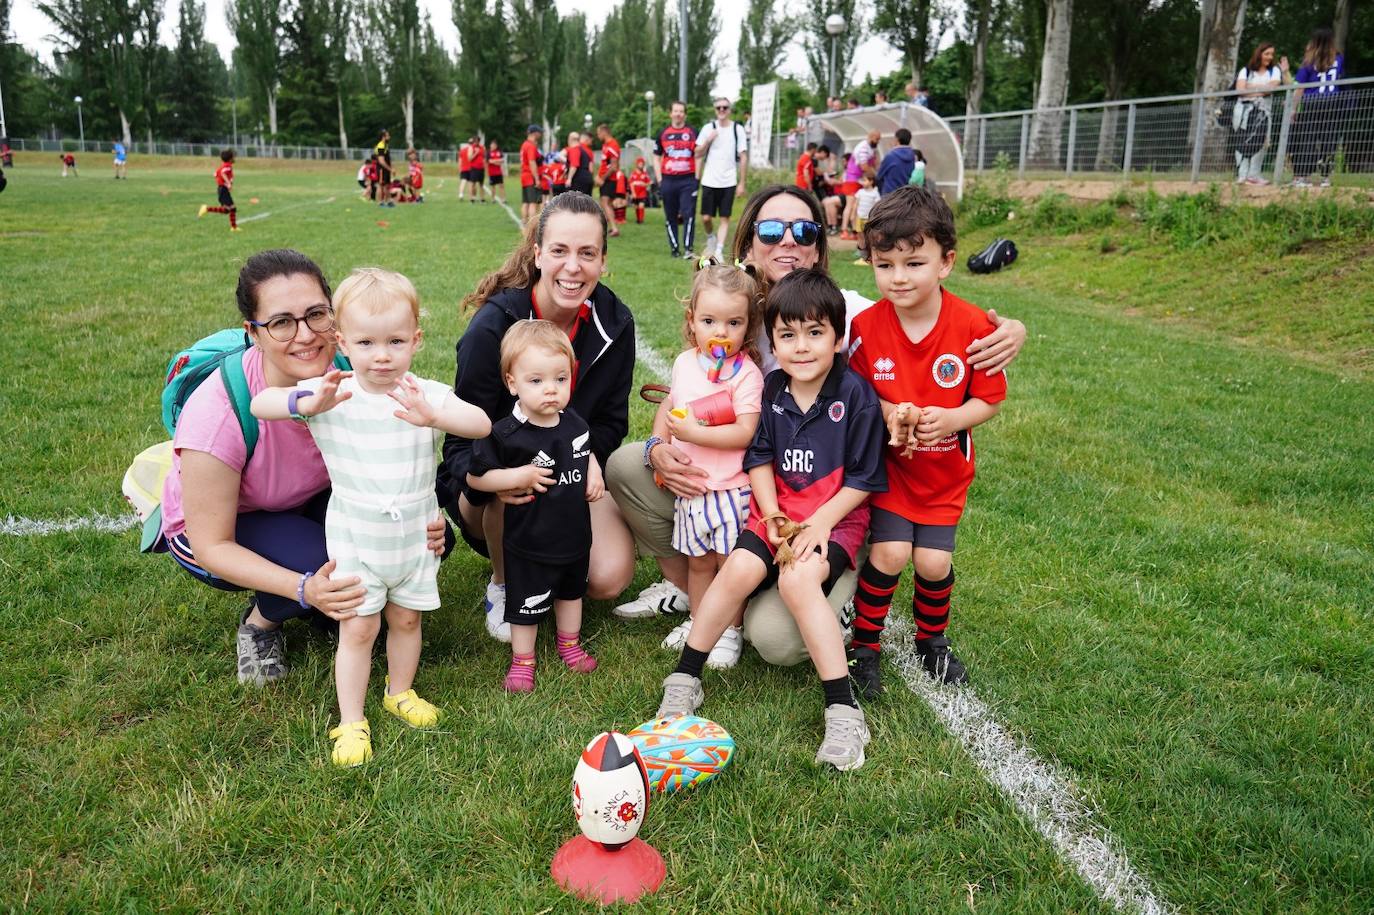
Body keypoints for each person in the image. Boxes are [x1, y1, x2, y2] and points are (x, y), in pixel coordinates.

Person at [607, 184, 1026, 666]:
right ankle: (692, 585)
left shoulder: (844, 308)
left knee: (778, 643)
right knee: (627, 463)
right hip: (747, 488)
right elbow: (689, 384)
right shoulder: (726, 309)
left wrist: (1010, 329)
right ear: (747, 244)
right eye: (770, 229)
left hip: (825, 500)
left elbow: (915, 295)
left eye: (803, 230)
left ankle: (832, 592)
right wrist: (659, 442)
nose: (788, 240)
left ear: (819, 246)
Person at [155, 249, 452, 687]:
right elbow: (210, 546)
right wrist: (303, 588)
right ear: (252, 333)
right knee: (320, 568)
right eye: (281, 323)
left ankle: (327, 609)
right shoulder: (219, 413)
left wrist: (424, 515)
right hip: (229, 522)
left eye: (316, 315)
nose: (306, 335)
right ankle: (261, 623)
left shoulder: (357, 366)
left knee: (418, 540)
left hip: (309, 497)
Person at [250, 268, 490, 767]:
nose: (382, 355)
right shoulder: (331, 393)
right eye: (366, 342)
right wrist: (304, 399)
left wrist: (436, 418)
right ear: (342, 341)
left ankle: (399, 691)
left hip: (413, 539)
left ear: (416, 340)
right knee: (359, 629)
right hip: (357, 538)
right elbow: (262, 402)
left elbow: (482, 422)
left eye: (396, 341)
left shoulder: (422, 395)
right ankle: (351, 719)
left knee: (406, 619)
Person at [654, 268, 887, 772]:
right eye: (787, 335)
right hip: (776, 512)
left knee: (800, 581)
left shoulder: (857, 395)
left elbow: (865, 478)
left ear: (838, 338)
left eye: (815, 332)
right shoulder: (773, 387)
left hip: (832, 519)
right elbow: (758, 458)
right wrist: (773, 512)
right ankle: (684, 681)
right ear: (772, 341)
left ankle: (844, 711)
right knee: (736, 570)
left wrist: (819, 525)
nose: (801, 347)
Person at [438, 192, 636, 641]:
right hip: (498, 487)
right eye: (560, 251)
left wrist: (583, 458)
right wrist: (497, 478)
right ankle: (504, 583)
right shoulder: (493, 328)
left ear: (603, 260)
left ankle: (552, 564)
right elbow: (458, 441)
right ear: (538, 253)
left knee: (606, 578)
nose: (573, 267)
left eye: (587, 253)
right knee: (517, 488)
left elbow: (610, 422)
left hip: (570, 472)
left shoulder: (614, 322)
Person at [845, 185, 1007, 699]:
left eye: (914, 263)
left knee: (933, 563)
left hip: (944, 476)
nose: (898, 277)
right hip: (890, 471)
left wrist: (953, 419)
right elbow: (859, 395)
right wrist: (892, 412)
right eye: (884, 264)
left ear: (946, 262)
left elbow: (990, 400)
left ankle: (932, 641)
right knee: (890, 553)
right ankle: (865, 645)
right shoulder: (866, 327)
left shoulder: (974, 326)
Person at [467, 321, 604, 691]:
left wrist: (593, 472)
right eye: (536, 381)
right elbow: (476, 477)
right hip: (528, 540)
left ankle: (569, 644)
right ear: (512, 383)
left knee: (571, 592)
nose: (550, 390)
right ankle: (523, 660)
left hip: (573, 535)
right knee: (525, 604)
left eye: (560, 379)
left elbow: (584, 448)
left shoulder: (574, 422)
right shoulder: (506, 434)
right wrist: (516, 476)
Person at [654, 260, 765, 669]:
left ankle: (729, 632)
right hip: (693, 490)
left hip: (731, 490)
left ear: (748, 326)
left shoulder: (747, 376)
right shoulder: (685, 364)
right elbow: (673, 409)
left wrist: (694, 433)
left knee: (727, 567)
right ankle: (701, 621)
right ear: (692, 321)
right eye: (709, 320)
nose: (721, 332)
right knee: (698, 564)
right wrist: (662, 446)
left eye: (734, 323)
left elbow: (745, 432)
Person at [695, 97, 749, 259]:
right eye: (718, 108)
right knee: (706, 218)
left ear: (730, 109)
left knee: (725, 218)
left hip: (729, 180)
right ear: (715, 110)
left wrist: (742, 183)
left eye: (725, 107)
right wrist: (708, 141)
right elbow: (697, 152)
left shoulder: (737, 129)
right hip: (710, 179)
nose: (722, 110)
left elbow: (743, 157)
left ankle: (718, 251)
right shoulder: (708, 128)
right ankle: (711, 237)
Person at [1292, 27, 1345, 188]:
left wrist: (1294, 108)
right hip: (1332, 102)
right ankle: (1325, 178)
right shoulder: (1339, 58)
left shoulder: (1308, 61)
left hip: (1311, 102)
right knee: (1329, 139)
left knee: (1307, 139)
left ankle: (1302, 177)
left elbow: (1300, 86)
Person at [1233, 42, 1289, 186]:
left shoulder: (1274, 71)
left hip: (1263, 112)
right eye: (1267, 54)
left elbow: (1271, 89)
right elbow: (1240, 90)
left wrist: (1250, 88)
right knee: (1242, 141)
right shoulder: (1245, 70)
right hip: (1243, 112)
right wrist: (1261, 90)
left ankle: (1254, 175)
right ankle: (1242, 175)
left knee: (1261, 141)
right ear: (1259, 54)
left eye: (1272, 54)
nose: (1270, 57)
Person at [655, 100, 699, 259]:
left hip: (688, 180)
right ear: (671, 113)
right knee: (670, 216)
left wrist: (697, 177)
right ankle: (674, 248)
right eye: (676, 111)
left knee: (689, 214)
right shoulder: (663, 133)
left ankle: (688, 249)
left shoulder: (693, 132)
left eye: (681, 111)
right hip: (668, 180)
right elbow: (655, 156)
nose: (678, 114)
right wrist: (659, 178)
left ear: (685, 114)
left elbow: (699, 155)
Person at [841, 131, 881, 240]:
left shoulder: (871, 148)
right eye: (877, 139)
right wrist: (876, 176)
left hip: (858, 179)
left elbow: (873, 164)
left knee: (856, 205)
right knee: (850, 205)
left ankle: (854, 231)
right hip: (852, 179)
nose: (878, 141)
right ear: (871, 137)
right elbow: (864, 167)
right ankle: (844, 230)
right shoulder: (863, 148)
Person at [197, 148, 240, 232]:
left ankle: (206, 209)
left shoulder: (223, 165)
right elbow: (223, 173)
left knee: (227, 210)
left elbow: (215, 174)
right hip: (223, 190)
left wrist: (221, 183)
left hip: (222, 189)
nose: (235, 158)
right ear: (230, 158)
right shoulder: (227, 166)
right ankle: (233, 227)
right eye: (234, 157)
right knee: (232, 208)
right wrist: (228, 183)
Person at [595, 124, 623, 237]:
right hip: (606, 179)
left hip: (609, 179)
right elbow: (605, 165)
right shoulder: (606, 145)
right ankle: (609, 227)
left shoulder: (612, 145)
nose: (598, 136)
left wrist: (602, 179)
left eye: (598, 133)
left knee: (605, 202)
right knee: (606, 203)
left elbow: (614, 166)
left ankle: (614, 228)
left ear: (604, 132)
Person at [876, 128, 916, 194]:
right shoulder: (913, 156)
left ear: (897, 139)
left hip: (889, 195)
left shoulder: (891, 156)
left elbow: (879, 176)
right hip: (904, 194)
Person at [852, 175, 880, 264]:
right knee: (860, 235)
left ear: (871, 181)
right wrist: (853, 214)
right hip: (860, 217)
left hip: (869, 219)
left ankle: (870, 252)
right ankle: (860, 252)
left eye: (865, 180)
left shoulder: (875, 193)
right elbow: (856, 204)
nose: (863, 182)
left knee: (869, 236)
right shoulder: (860, 192)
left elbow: (877, 206)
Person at [519, 124, 544, 223]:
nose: (541, 134)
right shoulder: (530, 146)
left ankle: (524, 222)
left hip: (525, 176)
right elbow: (532, 162)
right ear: (535, 133)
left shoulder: (525, 144)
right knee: (533, 203)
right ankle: (531, 225)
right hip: (530, 176)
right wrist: (537, 179)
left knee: (526, 202)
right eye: (540, 132)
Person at [566, 131, 594, 196]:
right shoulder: (586, 151)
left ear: (570, 139)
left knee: (576, 203)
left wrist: (569, 179)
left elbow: (574, 165)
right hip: (588, 178)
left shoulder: (575, 149)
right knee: (586, 203)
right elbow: (591, 168)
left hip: (579, 179)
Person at [628, 157, 652, 224]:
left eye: (642, 164)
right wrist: (633, 193)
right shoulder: (633, 174)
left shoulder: (645, 174)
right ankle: (638, 219)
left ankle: (641, 220)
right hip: (635, 193)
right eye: (640, 164)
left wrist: (644, 184)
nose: (641, 165)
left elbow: (649, 182)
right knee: (636, 207)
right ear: (637, 164)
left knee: (641, 205)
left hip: (642, 193)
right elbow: (630, 183)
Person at [374, 130, 393, 203]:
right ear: (383, 137)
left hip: (386, 169)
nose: (389, 137)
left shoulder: (385, 145)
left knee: (387, 185)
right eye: (388, 136)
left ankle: (388, 202)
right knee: (380, 185)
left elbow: (387, 159)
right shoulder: (381, 145)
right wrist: (390, 169)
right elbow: (381, 161)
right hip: (382, 169)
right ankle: (380, 202)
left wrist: (391, 168)